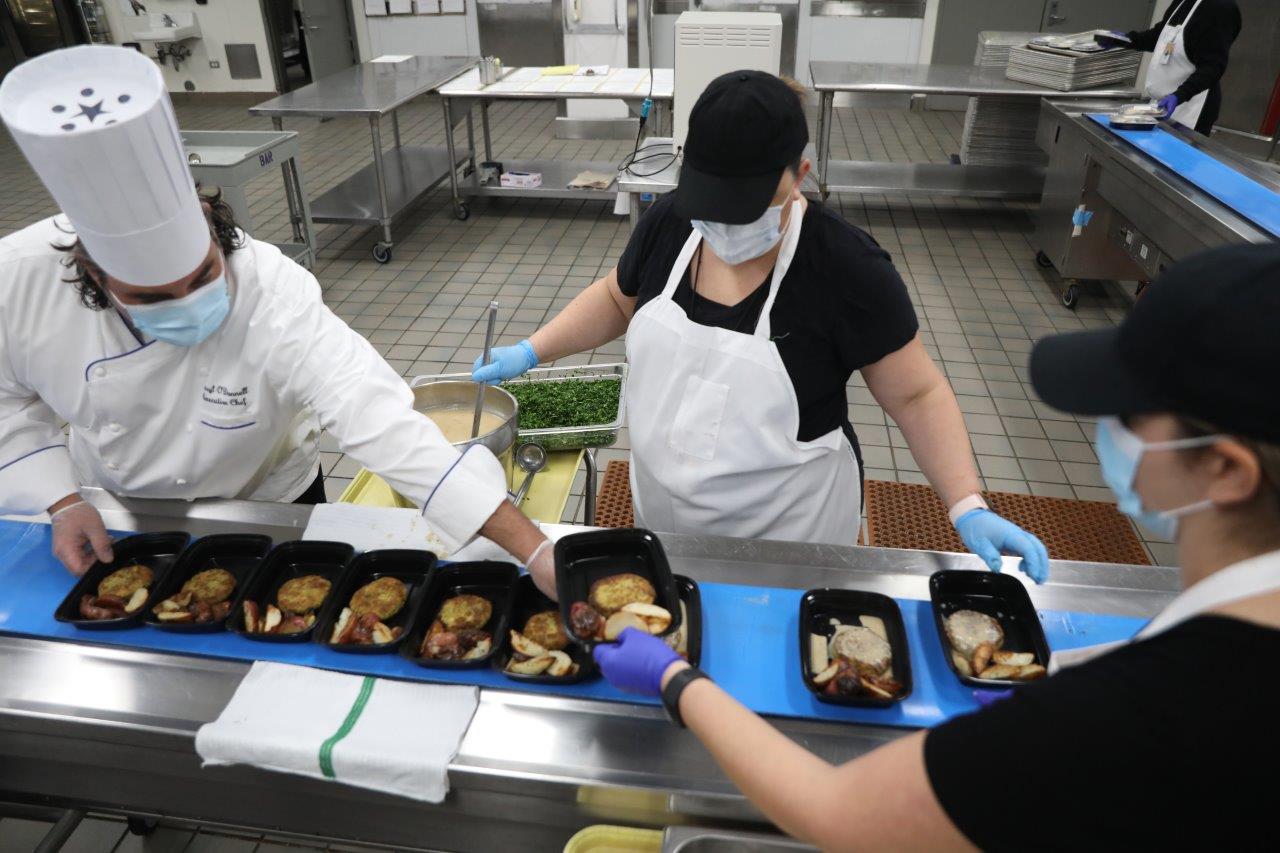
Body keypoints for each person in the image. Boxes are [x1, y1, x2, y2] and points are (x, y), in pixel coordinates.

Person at [591, 244, 1280, 849]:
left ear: (1226, 468)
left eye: (1130, 411)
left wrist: (673, 679)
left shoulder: (1144, 715)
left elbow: (838, 810)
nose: (1109, 428)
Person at [0, 46, 555, 593]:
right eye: (151, 297)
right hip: (121, 506)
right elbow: (6, 402)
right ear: (96, 277)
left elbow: (376, 416)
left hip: (270, 498)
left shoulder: (273, 290)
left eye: (202, 277)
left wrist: (535, 549)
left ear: (213, 231)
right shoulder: (17, 281)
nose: (188, 304)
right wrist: (62, 499)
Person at [473, 70, 1048, 581]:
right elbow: (617, 299)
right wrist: (531, 350)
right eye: (709, 199)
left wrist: (966, 503)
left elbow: (918, 394)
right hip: (663, 518)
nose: (721, 222)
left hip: (790, 543)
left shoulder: (846, 266)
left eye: (743, 204)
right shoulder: (670, 223)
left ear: (800, 172)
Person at [1096, 0, 1242, 135]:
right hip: (1162, 105)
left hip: (1190, 111)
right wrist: (1125, 40)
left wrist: (1178, 96)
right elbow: (1159, 37)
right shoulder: (1184, 2)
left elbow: (1213, 66)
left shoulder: (1221, 8)